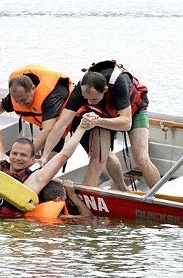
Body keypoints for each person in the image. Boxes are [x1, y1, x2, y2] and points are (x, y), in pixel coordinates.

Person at [0, 63, 125, 178]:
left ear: (32, 89)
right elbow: (2, 106)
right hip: (54, 129)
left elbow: (50, 130)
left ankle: (121, 186)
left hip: (75, 119)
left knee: (103, 156)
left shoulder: (51, 95)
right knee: (45, 169)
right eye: (18, 101)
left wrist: (29, 156)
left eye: (24, 100)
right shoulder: (18, 94)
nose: (22, 104)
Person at [40, 60, 161, 189]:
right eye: (86, 99)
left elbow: (126, 123)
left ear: (105, 90)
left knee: (141, 158)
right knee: (97, 158)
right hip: (104, 116)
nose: (89, 103)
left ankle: (161, 196)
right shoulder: (81, 91)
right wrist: (45, 156)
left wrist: (97, 121)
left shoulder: (119, 83)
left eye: (93, 99)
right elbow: (61, 125)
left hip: (134, 113)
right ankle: (98, 195)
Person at [0, 106, 92, 219]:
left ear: (32, 159)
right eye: (14, 153)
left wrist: (82, 127)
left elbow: (64, 155)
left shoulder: (34, 179)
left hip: (3, 225)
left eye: (23, 155)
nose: (17, 158)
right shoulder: (2, 164)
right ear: (9, 154)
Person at [25, 179, 93, 220]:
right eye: (65, 198)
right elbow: (88, 217)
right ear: (58, 200)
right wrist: (72, 194)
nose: (66, 201)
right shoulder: (61, 217)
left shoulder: (31, 208)